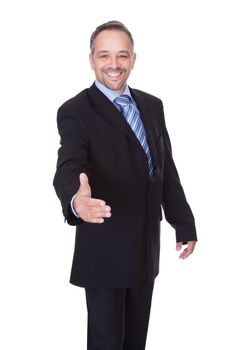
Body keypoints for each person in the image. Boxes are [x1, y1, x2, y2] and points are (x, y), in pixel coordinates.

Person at [53, 20, 197, 350]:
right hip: (104, 247)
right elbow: (71, 162)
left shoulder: (152, 105)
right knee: (106, 344)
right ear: (91, 59)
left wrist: (183, 222)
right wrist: (76, 199)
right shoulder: (76, 111)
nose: (114, 65)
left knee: (135, 342)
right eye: (104, 56)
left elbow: (164, 168)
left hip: (145, 247)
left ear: (134, 58)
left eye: (122, 55)